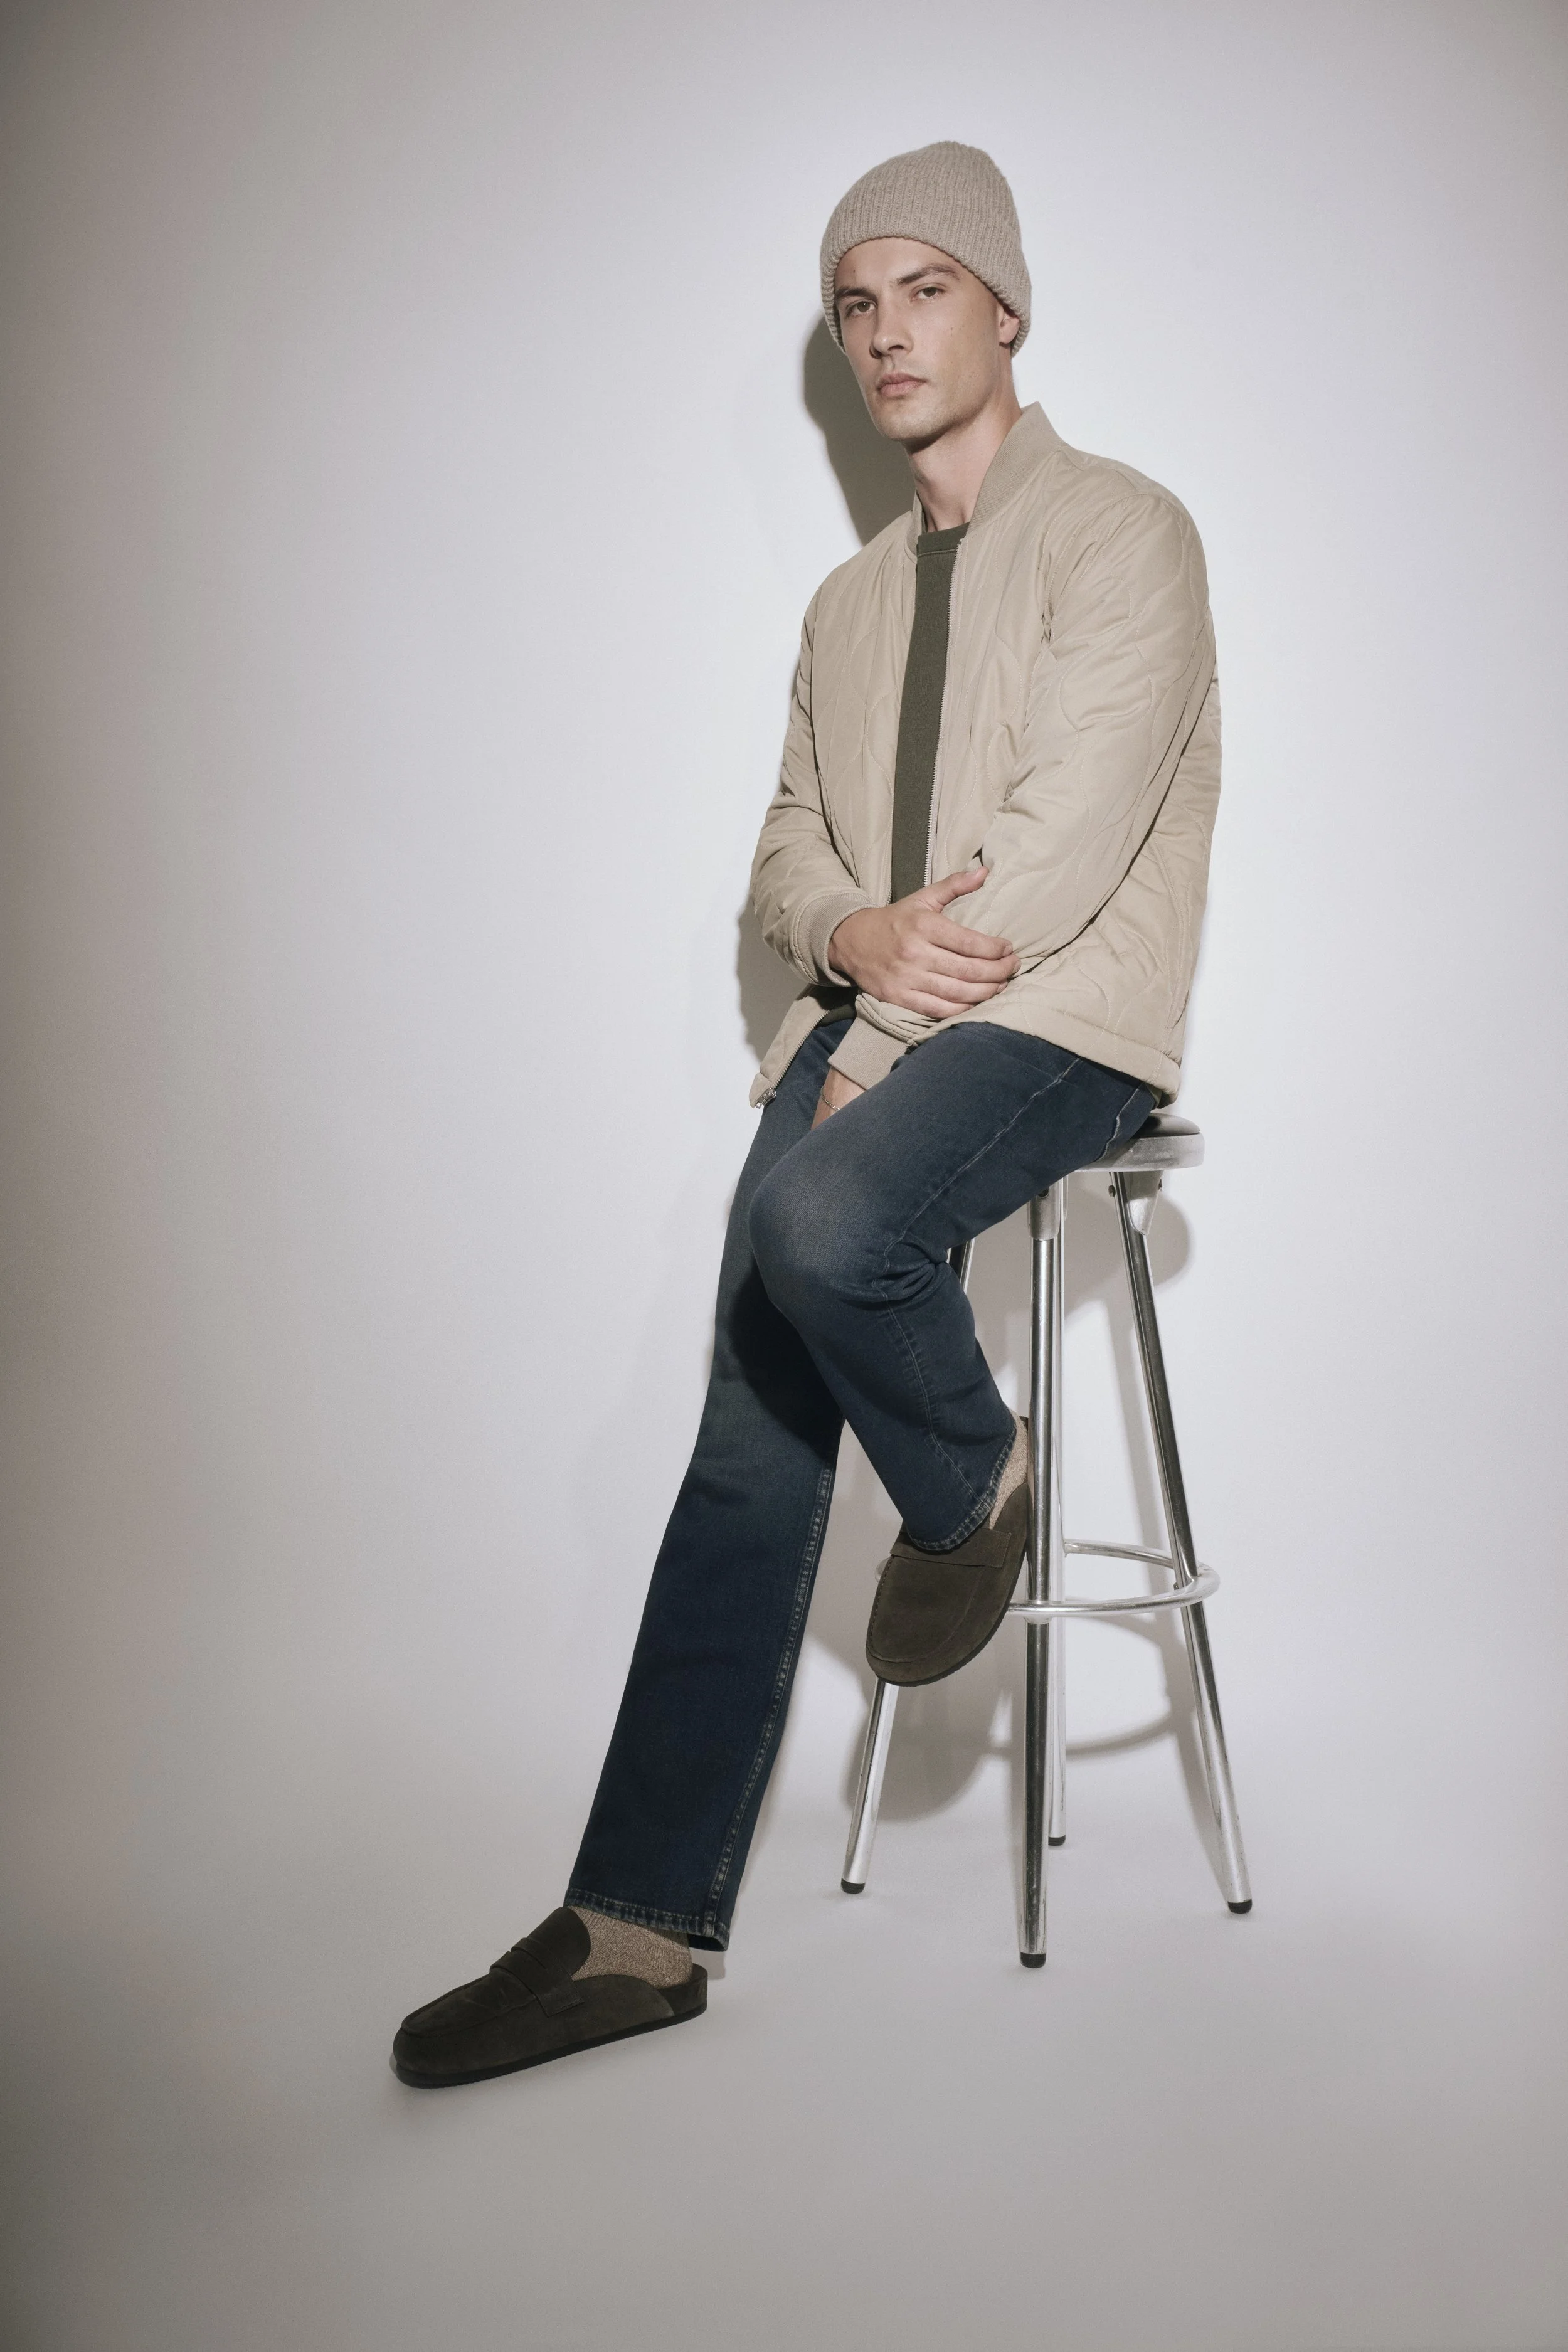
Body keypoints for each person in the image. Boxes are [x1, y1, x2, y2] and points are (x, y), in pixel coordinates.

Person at [392, 140, 1221, 2087]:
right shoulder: (843, 603)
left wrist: (872, 1035)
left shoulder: (1124, 530)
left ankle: (973, 1475)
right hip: (875, 1015)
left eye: (923, 289)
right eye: (855, 304)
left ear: (1003, 307)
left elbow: (1061, 840)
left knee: (827, 1223)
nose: (884, 333)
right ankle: (636, 1924)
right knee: (746, 1439)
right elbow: (785, 849)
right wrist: (845, 934)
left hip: (1065, 1013)